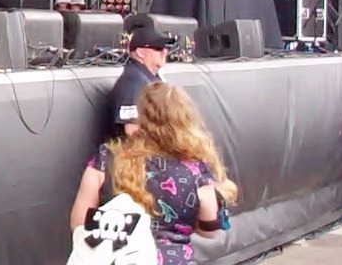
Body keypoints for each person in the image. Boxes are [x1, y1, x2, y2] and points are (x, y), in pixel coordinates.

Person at [70, 82, 238, 265]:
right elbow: (210, 231)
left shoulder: (106, 159)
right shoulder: (196, 169)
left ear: (140, 117)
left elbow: (79, 223)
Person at [109, 28, 170, 137]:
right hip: (138, 147)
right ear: (141, 52)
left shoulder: (149, 77)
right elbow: (132, 131)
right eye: (158, 48)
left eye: (166, 47)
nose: (164, 51)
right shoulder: (133, 82)